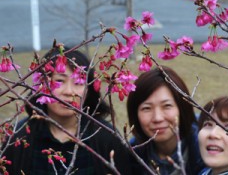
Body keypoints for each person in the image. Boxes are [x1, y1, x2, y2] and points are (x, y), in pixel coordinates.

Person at [2, 46, 133, 175]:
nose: (69, 92)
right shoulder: (18, 137)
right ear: (41, 85)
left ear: (89, 89)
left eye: (78, 82)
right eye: (59, 81)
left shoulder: (106, 138)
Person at [127, 66, 205, 175]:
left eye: (167, 106)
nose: (157, 118)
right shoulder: (131, 156)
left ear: (182, 107)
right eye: (147, 108)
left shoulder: (206, 150)